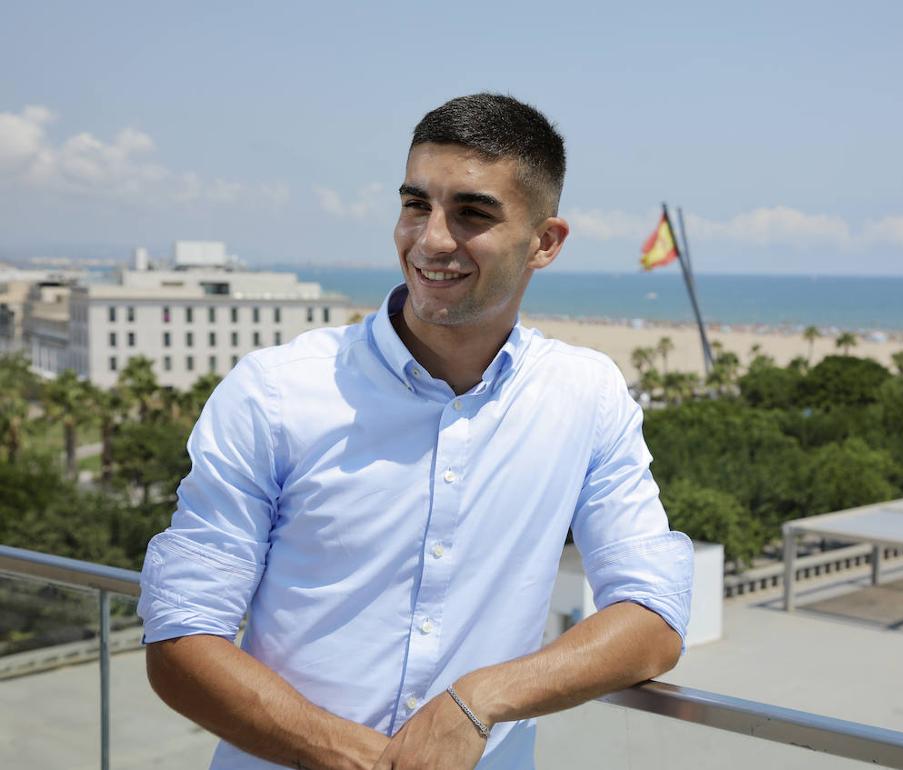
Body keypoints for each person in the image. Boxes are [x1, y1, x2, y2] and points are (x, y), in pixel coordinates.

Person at [138, 93, 694, 770]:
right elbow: (180, 640)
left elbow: (654, 618)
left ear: (544, 242)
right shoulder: (275, 392)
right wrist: (370, 762)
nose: (431, 239)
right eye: (415, 204)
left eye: (472, 213)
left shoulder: (586, 395)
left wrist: (477, 700)